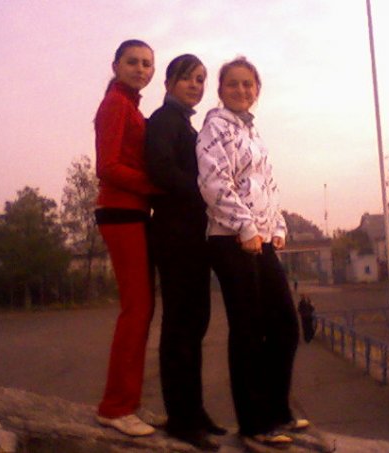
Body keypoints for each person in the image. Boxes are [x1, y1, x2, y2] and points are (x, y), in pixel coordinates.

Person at [196, 57, 310, 446]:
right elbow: (213, 182)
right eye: (233, 84)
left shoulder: (252, 133)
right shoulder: (215, 127)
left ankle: (278, 410)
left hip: (259, 239)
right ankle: (254, 423)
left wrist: (277, 226)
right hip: (230, 238)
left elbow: (268, 186)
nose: (241, 90)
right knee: (247, 329)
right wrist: (245, 226)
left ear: (257, 90)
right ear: (221, 90)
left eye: (248, 84)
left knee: (285, 325)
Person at [145, 54, 225, 451]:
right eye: (188, 78)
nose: (195, 85)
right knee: (180, 326)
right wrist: (203, 193)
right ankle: (180, 418)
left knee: (196, 324)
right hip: (175, 235)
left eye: (200, 79)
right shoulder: (163, 120)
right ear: (169, 82)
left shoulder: (186, 125)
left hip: (194, 236)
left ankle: (194, 410)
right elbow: (160, 171)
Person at [93, 39, 160, 437]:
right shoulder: (116, 104)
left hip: (134, 212)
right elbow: (107, 167)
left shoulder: (131, 106)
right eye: (132, 62)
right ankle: (114, 407)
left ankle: (128, 402)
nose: (140, 69)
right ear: (116, 65)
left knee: (142, 309)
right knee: (136, 310)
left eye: (147, 64)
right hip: (120, 212)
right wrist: (156, 186)